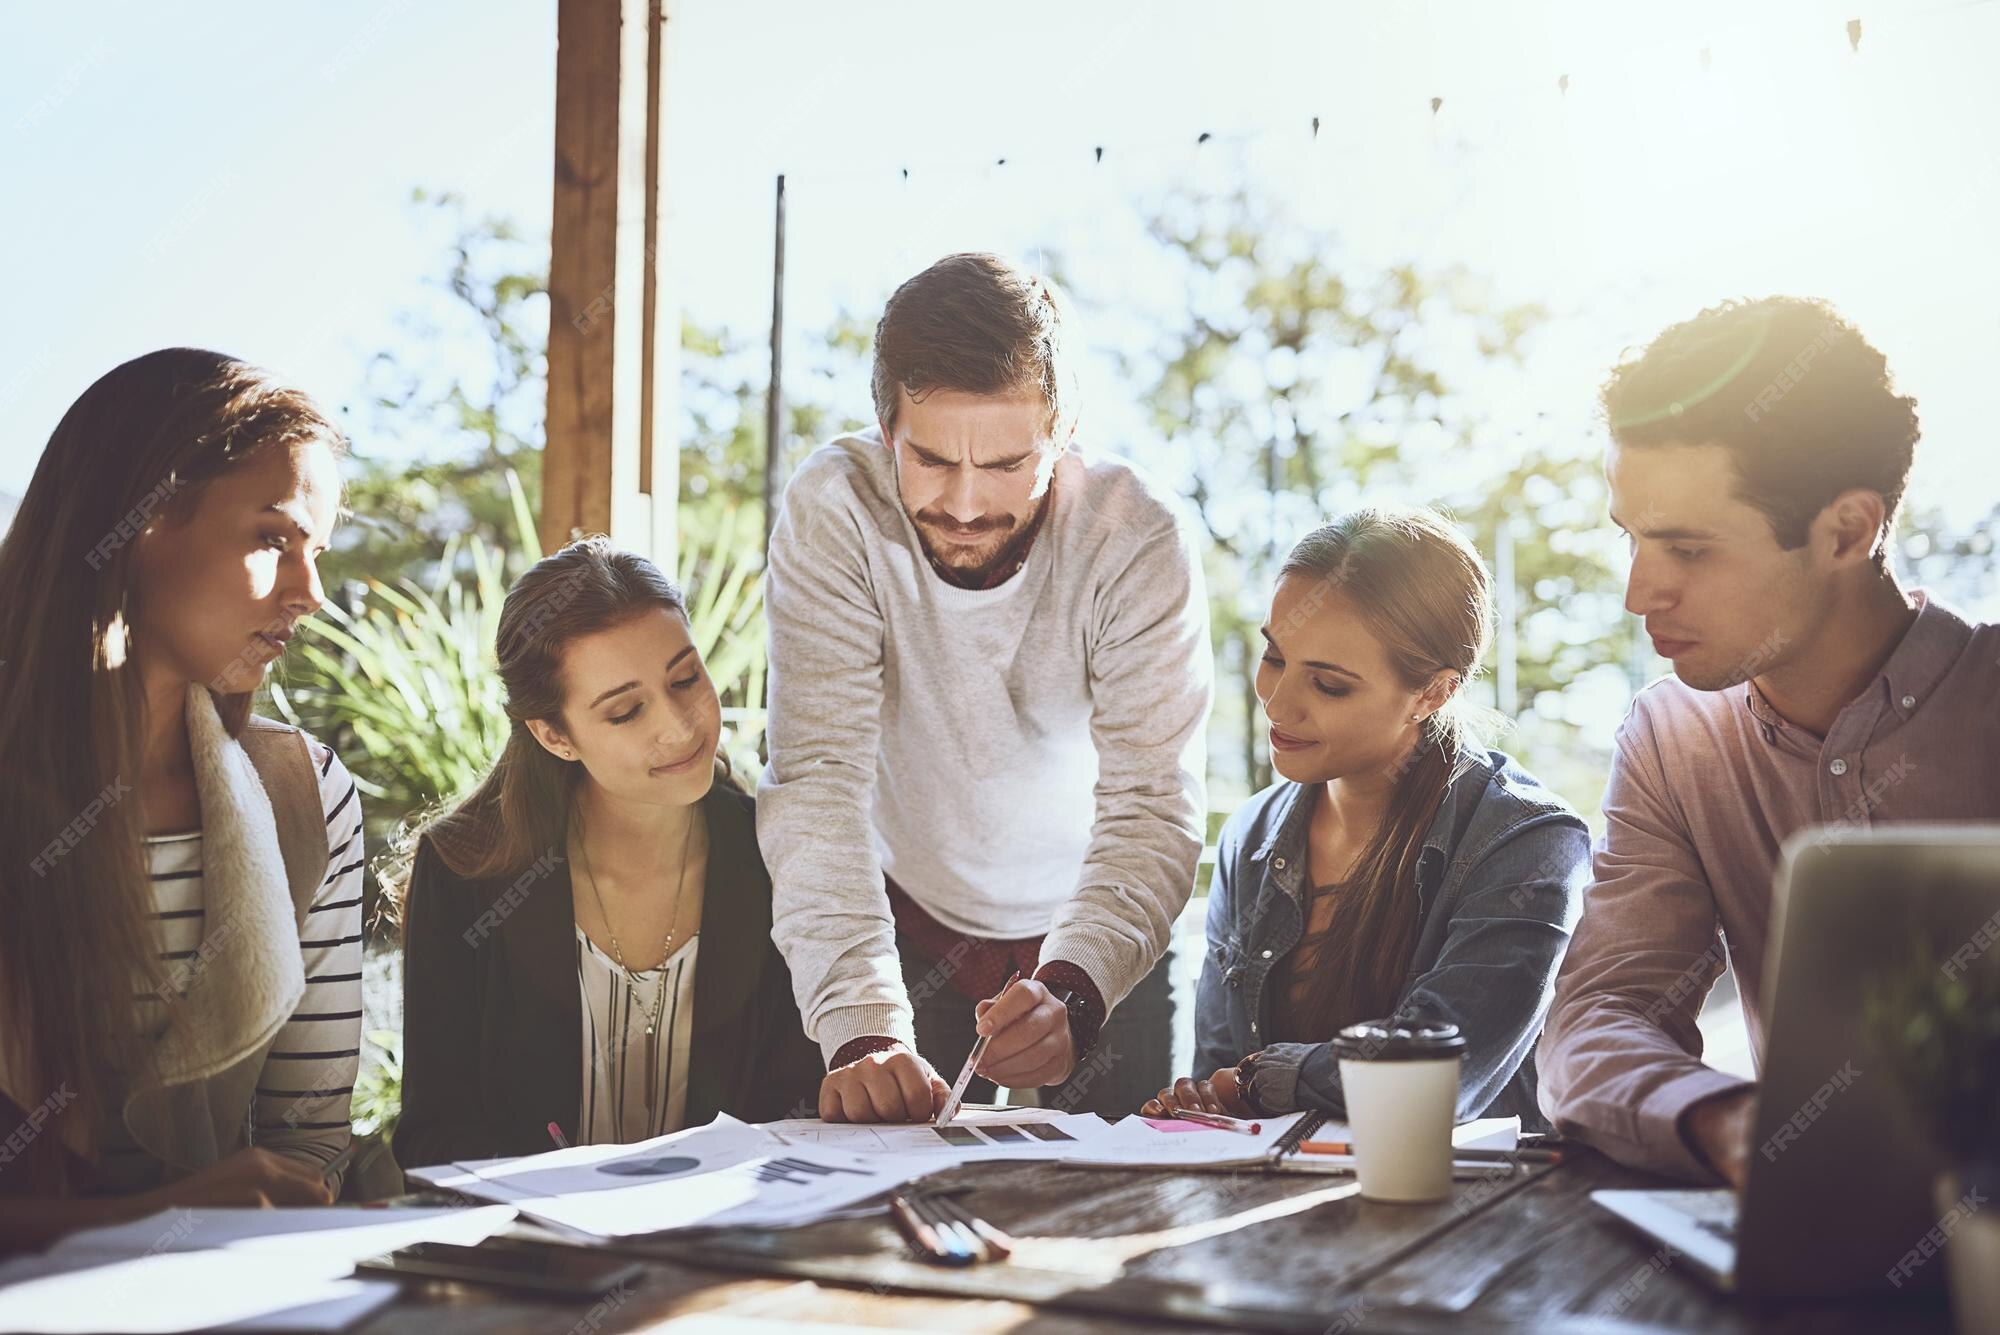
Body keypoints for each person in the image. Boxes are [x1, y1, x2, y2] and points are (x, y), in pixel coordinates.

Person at [1537, 297, 2000, 1185]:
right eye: (1631, 539)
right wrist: (1722, 1118)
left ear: (1847, 530)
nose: (1638, 595)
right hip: (1813, 1251)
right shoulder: (1674, 740)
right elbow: (1600, 1013)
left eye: (1689, 550)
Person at [758, 253, 1213, 1122]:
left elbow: (1153, 802)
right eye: (929, 459)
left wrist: (1075, 989)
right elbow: (818, 784)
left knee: (1124, 1213)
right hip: (903, 920)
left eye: (1007, 464)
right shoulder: (836, 507)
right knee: (885, 1198)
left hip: (1101, 915)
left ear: (1065, 429)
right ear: (885, 426)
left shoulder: (1137, 535)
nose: (965, 505)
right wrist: (860, 1027)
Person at [0, 349, 363, 1250]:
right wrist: (148, 1221)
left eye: (316, 551)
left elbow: (307, 1142)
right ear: (139, 522)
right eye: (273, 539)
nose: (309, 593)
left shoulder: (307, 796)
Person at [1142, 507, 1589, 1124]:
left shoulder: (1527, 841)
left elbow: (1434, 1082)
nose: (1276, 701)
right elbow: (1216, 1079)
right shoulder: (1250, 836)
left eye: (1328, 684)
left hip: (1469, 1204)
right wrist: (1207, 1101)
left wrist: (1259, 1082)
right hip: (1274, 1202)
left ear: (1433, 692)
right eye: (1274, 658)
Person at [394, 539, 820, 1165]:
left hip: (728, 1245)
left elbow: (801, 1108)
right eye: (625, 712)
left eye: (685, 678)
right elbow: (435, 1134)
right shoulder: (465, 867)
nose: (679, 726)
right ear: (555, 736)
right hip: (531, 1249)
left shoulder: (774, 852)